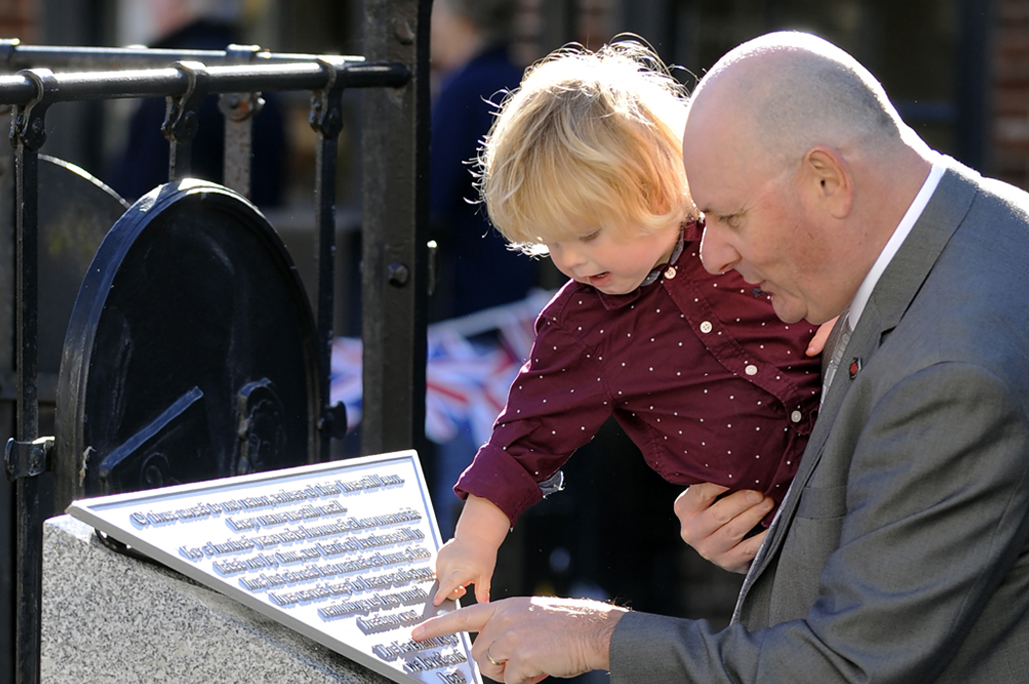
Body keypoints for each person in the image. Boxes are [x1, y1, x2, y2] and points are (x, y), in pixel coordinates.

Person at [413, 31, 1029, 684]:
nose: (709, 254)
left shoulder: (950, 369)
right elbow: (527, 431)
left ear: (826, 179)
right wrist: (774, 542)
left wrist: (599, 636)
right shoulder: (973, 242)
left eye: (725, 218)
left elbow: (849, 666)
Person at [432, 40, 828, 610]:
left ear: (658, 188)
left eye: (587, 234)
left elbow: (842, 267)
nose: (569, 260)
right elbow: (524, 437)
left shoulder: (743, 228)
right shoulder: (583, 327)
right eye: (551, 243)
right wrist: (472, 542)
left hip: (867, 469)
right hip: (778, 538)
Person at [106, 0, 287, 207]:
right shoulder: (257, 75)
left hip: (183, 231)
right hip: (245, 231)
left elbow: (136, 198)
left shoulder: (173, 83)